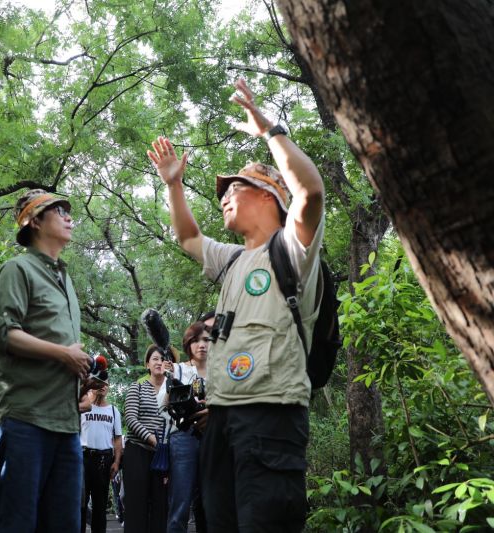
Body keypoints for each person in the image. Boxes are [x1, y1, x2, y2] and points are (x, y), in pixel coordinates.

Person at [147, 78, 325, 531]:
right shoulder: (230, 260)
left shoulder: (292, 250)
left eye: (236, 187)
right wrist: (174, 186)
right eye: (223, 190)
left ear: (269, 195)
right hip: (222, 421)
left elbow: (311, 193)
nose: (224, 194)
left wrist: (270, 130)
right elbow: (187, 236)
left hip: (272, 415)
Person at [0, 189, 90, 532]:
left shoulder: (67, 279)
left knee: (65, 524)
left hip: (67, 423)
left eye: (68, 211)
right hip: (25, 419)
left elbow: (61, 349)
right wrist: (64, 354)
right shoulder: (18, 269)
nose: (69, 216)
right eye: (59, 210)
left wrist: (83, 377)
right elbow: (3, 333)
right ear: (34, 221)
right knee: (16, 523)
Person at [158, 321, 209, 533]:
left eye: (206, 339)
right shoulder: (177, 369)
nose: (202, 345)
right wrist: (169, 381)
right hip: (183, 436)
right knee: (180, 503)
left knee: (209, 504)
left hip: (213, 438)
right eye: (196, 341)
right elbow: (161, 405)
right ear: (188, 345)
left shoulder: (223, 371)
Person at [123, 345, 172, 533]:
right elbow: (131, 419)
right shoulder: (137, 387)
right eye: (155, 359)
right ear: (147, 365)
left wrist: (164, 447)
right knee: (137, 505)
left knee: (161, 507)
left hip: (163, 456)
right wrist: (153, 440)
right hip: (138, 451)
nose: (159, 362)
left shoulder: (173, 389)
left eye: (162, 359)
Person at [79, 377, 124, 533]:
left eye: (106, 383)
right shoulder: (83, 407)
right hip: (83, 458)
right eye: (99, 382)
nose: (102, 386)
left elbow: (118, 439)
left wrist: (116, 462)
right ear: (92, 385)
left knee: (100, 506)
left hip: (104, 460)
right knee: (80, 505)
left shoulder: (113, 411)